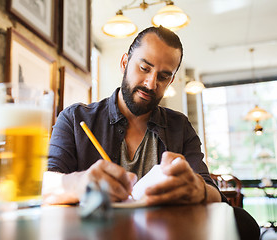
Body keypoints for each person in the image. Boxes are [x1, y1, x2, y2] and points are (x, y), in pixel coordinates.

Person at [43, 25, 223, 206]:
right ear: (124, 63)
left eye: (163, 77)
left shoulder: (180, 127)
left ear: (171, 81)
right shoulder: (75, 119)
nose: (151, 84)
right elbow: (44, 186)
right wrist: (79, 183)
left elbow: (213, 194)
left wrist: (197, 188)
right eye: (145, 68)